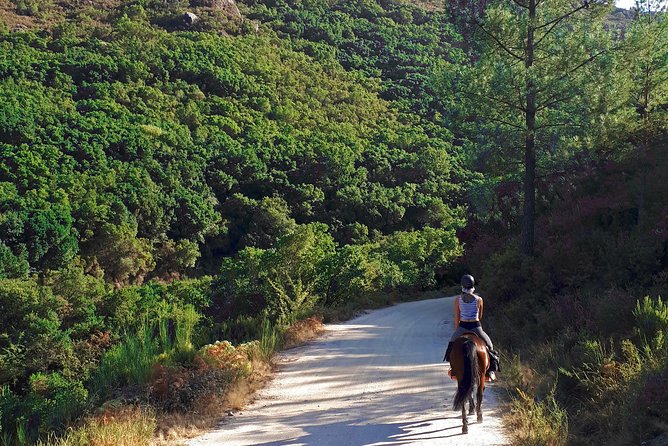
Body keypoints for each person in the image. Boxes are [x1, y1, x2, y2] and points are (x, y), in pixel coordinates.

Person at [444, 274, 500, 380]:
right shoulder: (479, 299)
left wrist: (457, 330)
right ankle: (491, 371)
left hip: (462, 326)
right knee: (490, 345)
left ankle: (453, 369)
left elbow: (457, 318)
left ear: (462, 286)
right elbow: (480, 316)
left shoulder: (458, 299)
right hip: (476, 326)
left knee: (451, 344)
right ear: (473, 285)